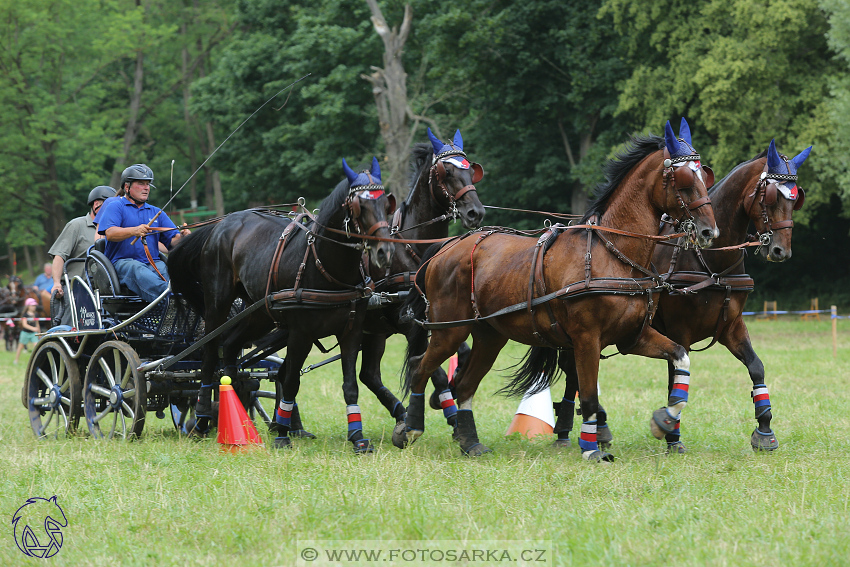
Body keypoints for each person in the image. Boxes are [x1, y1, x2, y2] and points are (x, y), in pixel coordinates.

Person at [97, 163, 189, 302]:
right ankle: (172, 302)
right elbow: (110, 233)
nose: (146, 188)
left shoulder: (156, 212)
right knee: (137, 269)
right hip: (122, 264)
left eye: (148, 184)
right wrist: (135, 230)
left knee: (172, 274)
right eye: (141, 184)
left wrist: (183, 238)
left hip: (153, 263)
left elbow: (172, 242)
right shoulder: (115, 206)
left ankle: (184, 300)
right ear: (127, 187)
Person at [49, 185, 116, 298]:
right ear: (96, 205)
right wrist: (56, 283)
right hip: (76, 288)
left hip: (105, 290)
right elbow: (59, 255)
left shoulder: (114, 230)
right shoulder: (77, 225)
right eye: (110, 206)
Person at [13, 297, 40, 364]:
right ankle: (16, 360)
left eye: (35, 305)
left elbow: (37, 324)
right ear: (28, 306)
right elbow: (24, 325)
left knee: (36, 346)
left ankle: (35, 361)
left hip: (34, 334)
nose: (34, 307)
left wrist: (39, 333)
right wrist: (33, 328)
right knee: (20, 346)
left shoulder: (36, 314)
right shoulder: (25, 315)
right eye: (32, 305)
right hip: (25, 333)